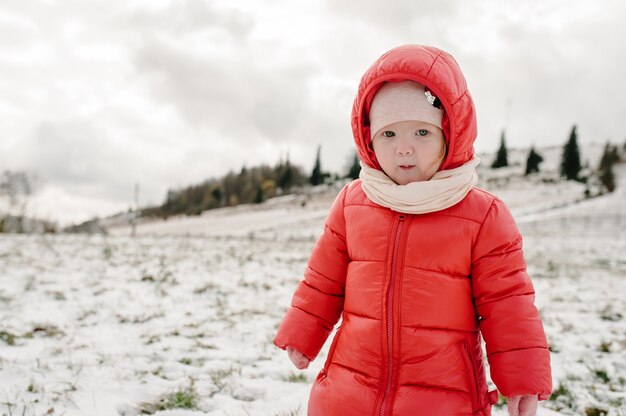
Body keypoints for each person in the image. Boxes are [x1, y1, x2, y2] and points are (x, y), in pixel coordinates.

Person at [273, 44, 552, 416]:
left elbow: (508, 304)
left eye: (421, 132)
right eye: (389, 135)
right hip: (349, 387)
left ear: (450, 135)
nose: (404, 149)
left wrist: (521, 378)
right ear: (368, 138)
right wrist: (303, 332)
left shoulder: (483, 215)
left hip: (442, 396)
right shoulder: (353, 203)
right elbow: (323, 279)